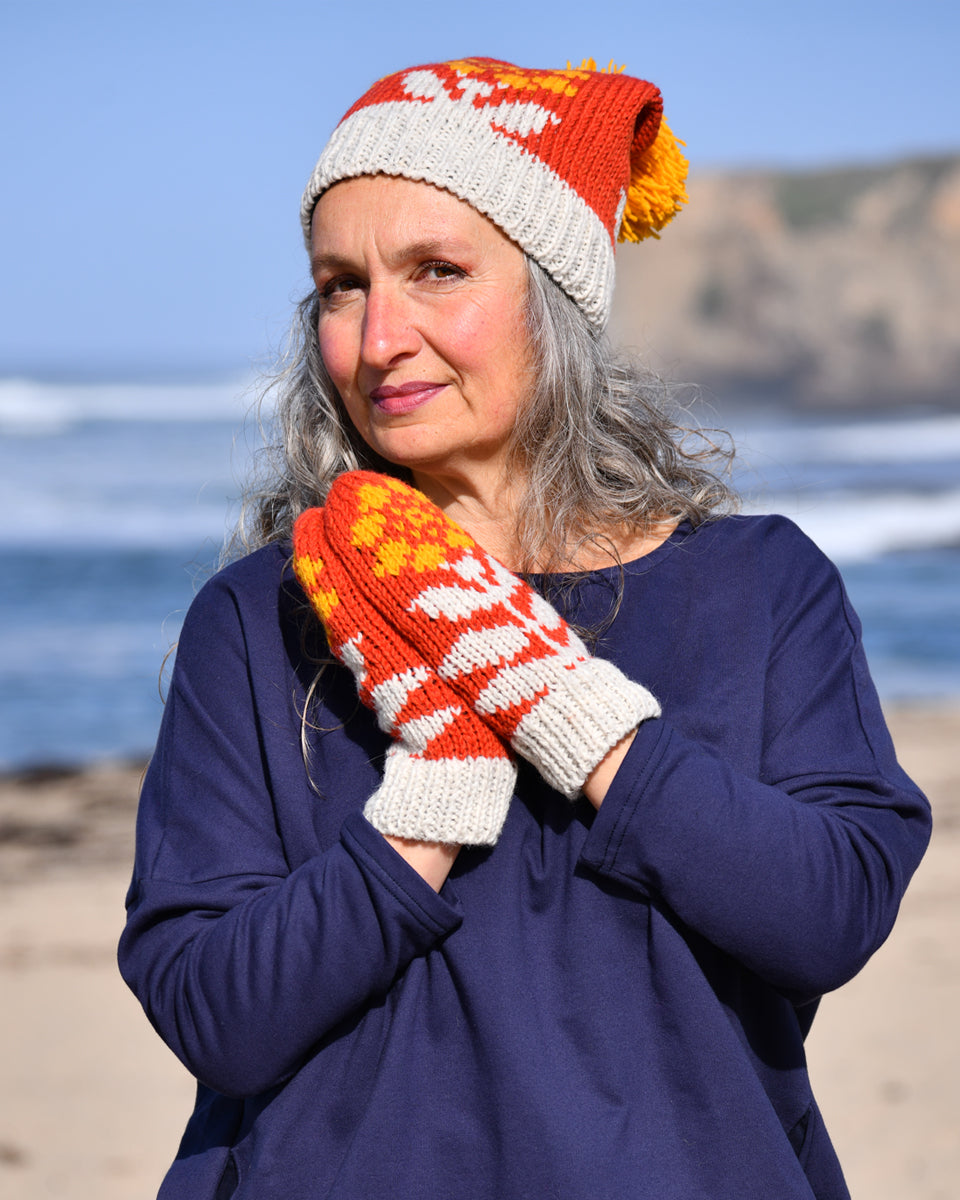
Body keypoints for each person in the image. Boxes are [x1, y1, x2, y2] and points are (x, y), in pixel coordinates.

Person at [118, 57, 931, 1199]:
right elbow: (215, 1015)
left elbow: (829, 914)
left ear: (553, 294)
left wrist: (568, 710)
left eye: (437, 271)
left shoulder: (761, 586)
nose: (380, 336)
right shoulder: (260, 617)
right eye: (341, 286)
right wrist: (432, 798)